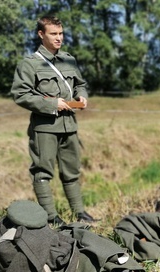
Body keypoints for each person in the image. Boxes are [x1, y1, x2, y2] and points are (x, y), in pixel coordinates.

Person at [11, 15, 98, 226]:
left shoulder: (69, 59)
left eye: (61, 33)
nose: (59, 38)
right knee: (42, 172)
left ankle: (79, 212)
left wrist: (82, 95)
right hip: (45, 127)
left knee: (72, 171)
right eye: (54, 34)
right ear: (41, 35)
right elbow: (20, 94)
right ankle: (51, 217)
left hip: (69, 124)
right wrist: (51, 105)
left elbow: (80, 84)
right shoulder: (30, 64)